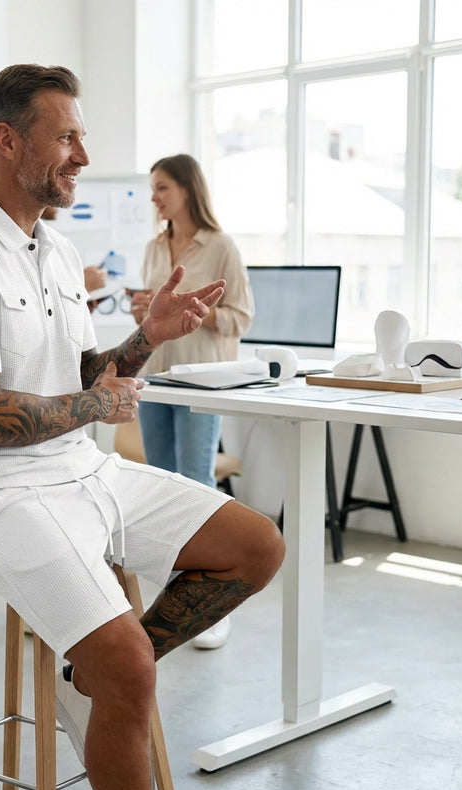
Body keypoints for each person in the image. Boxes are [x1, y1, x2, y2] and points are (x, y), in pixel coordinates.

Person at [0, 64, 284, 790]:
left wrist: (147, 337)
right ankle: (113, 674)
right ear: (7, 142)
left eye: (83, 135)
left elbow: (82, 376)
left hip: (80, 470)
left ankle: (90, 678)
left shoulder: (59, 252)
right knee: (132, 668)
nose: (84, 154)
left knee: (255, 546)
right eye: (66, 136)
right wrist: (97, 408)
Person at [129, 154, 254, 650]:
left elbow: (241, 316)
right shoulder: (153, 247)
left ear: (186, 189)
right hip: (155, 379)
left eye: (162, 188)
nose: (155, 198)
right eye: (153, 189)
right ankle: (176, 594)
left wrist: (198, 314)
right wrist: (146, 312)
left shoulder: (221, 246)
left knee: (198, 485)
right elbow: (152, 319)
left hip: (202, 381)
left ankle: (212, 605)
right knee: (163, 488)